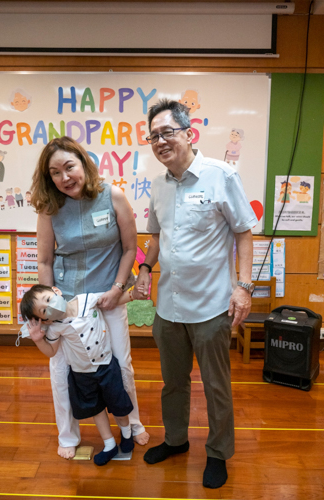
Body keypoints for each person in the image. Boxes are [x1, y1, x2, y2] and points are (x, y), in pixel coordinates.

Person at [134, 99, 257, 489]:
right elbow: (155, 238)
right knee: (173, 381)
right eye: (154, 136)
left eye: (168, 132)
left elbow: (244, 232)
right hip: (168, 306)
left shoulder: (221, 175)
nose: (160, 141)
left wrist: (243, 287)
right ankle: (176, 439)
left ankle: (219, 452)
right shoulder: (158, 185)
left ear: (190, 134)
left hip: (211, 307)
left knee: (215, 385)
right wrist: (145, 269)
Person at [30, 136, 149, 460]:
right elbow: (44, 261)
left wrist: (117, 289)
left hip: (107, 299)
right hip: (67, 305)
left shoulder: (113, 195)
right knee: (61, 370)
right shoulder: (49, 208)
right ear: (49, 178)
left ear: (83, 163)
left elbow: (128, 248)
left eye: (69, 166)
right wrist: (51, 303)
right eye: (55, 172)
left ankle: (132, 424)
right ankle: (67, 434)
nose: (65, 177)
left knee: (121, 365)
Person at [20, 284, 141, 465]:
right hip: (82, 374)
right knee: (96, 409)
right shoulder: (55, 328)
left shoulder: (87, 300)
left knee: (119, 404)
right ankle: (109, 444)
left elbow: (112, 301)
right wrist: (38, 340)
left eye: (47, 299)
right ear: (44, 320)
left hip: (107, 366)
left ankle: (126, 435)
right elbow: (52, 351)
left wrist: (133, 294)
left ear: (56, 291)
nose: (50, 307)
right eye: (44, 310)